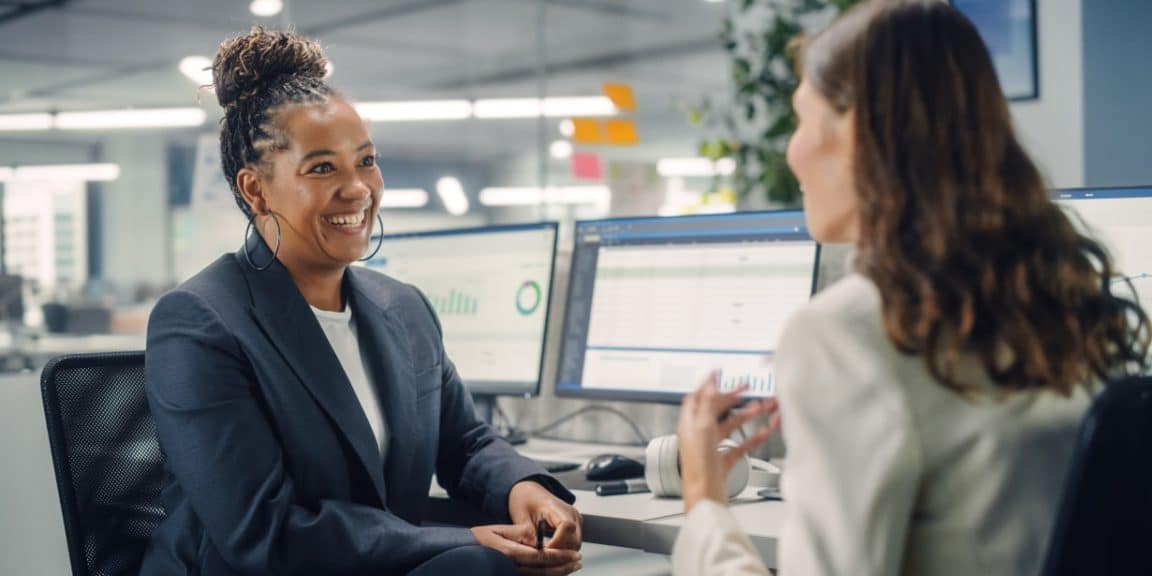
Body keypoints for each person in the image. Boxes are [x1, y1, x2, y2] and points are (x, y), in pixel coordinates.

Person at [671, 1, 1151, 575]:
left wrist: (703, 503)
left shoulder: (844, 334)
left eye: (802, 119)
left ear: (858, 135)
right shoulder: (1071, 305)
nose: (791, 151)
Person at [141, 27, 582, 576]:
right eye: (322, 168)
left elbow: (464, 443)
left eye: (366, 160)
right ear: (256, 190)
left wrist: (523, 488)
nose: (358, 189)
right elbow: (264, 532)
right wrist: (456, 541)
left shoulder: (404, 308)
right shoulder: (200, 324)